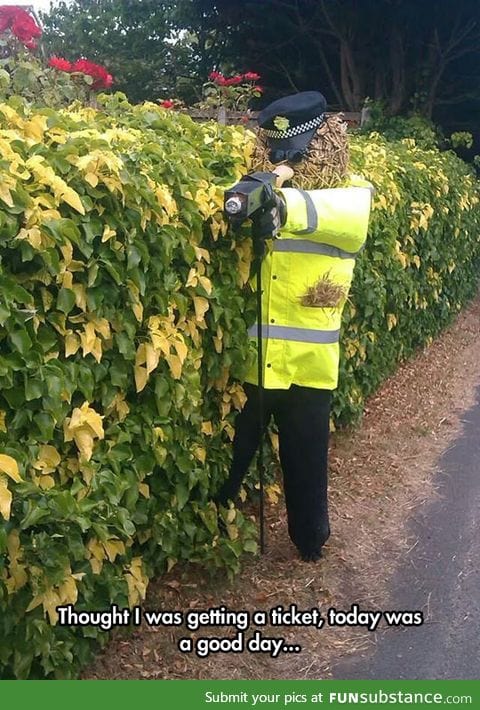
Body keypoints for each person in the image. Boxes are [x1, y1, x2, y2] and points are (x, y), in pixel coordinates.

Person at [216, 91, 373, 562]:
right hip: (256, 360)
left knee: (306, 463)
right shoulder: (257, 184)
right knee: (232, 458)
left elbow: (345, 222)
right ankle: (207, 528)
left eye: (297, 153)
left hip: (308, 367)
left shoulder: (353, 193)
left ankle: (310, 542)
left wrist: (279, 204)